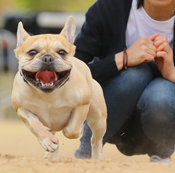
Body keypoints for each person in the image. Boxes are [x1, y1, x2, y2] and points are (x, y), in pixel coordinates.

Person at [74, 0, 175, 163]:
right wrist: (123, 59)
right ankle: (87, 151)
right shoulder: (109, 7)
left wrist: (171, 73)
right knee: (135, 74)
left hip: (160, 119)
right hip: (108, 114)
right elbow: (72, 70)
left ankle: (161, 155)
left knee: (161, 93)